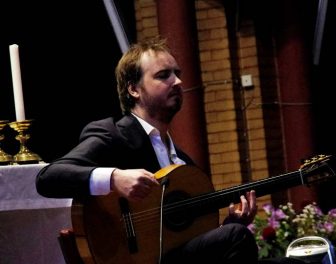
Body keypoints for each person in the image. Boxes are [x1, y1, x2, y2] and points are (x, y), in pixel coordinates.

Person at [36, 36, 301, 264]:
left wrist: (234, 222)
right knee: (235, 238)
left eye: (178, 74)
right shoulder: (113, 134)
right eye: (163, 75)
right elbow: (48, 177)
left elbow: (187, 242)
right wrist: (115, 178)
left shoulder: (182, 163)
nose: (177, 82)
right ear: (133, 89)